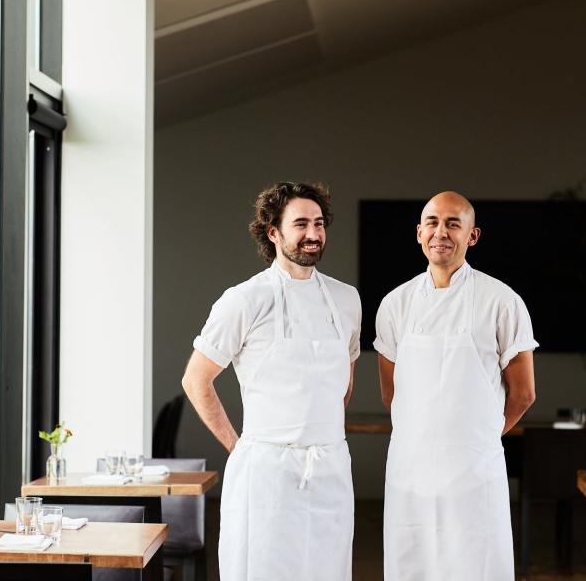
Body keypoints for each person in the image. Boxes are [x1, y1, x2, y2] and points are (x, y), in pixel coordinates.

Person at [181, 181, 361, 581]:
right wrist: (240, 446)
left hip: (331, 467)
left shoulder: (347, 299)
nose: (313, 234)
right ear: (273, 232)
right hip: (267, 473)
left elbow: (343, 381)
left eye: (319, 223)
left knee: (328, 571)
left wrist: (320, 431)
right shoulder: (244, 299)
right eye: (300, 224)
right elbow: (196, 380)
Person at [375, 191, 537, 580]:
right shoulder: (395, 304)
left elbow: (524, 393)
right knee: (411, 564)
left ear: (473, 235)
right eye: (432, 222)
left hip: (473, 471)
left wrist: (480, 436)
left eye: (453, 223)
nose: (440, 232)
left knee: (474, 564)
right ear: (418, 233)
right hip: (409, 470)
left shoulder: (501, 301)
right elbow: (390, 392)